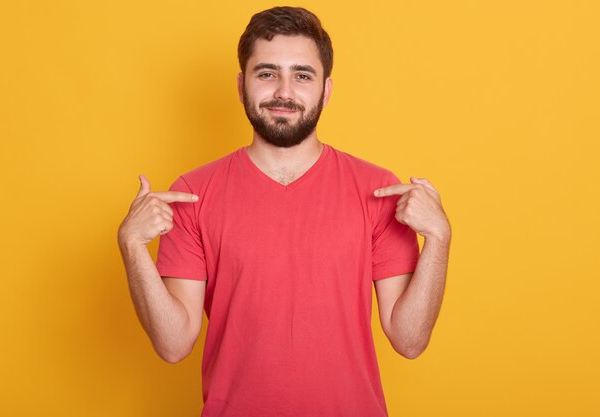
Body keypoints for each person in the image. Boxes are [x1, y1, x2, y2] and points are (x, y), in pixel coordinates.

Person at [118, 6, 451, 417]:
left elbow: (410, 338)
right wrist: (132, 246)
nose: (284, 91)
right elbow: (173, 344)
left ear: (326, 90)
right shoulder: (192, 193)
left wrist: (439, 238)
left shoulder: (377, 189)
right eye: (267, 73)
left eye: (302, 75)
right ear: (241, 86)